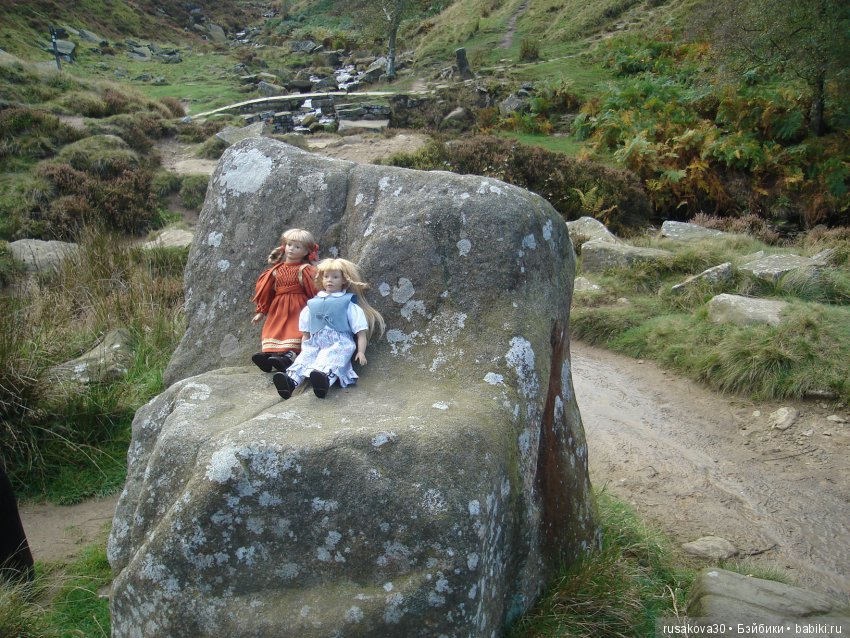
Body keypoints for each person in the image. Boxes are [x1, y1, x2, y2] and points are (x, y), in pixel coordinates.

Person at [273, 258, 385, 399]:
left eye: (335, 277)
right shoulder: (313, 304)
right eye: (326, 276)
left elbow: (361, 333)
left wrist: (361, 352)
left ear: (344, 280)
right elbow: (306, 333)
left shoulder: (347, 303)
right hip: (315, 342)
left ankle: (323, 382)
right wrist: (304, 348)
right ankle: (290, 382)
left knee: (332, 359)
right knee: (304, 359)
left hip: (340, 343)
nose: (329, 280)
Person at [251, 228, 319, 372]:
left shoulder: (305, 270)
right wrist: (261, 311)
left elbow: (314, 290)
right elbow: (266, 292)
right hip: (278, 309)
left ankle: (288, 357)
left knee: (295, 331)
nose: (291, 249)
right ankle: (269, 356)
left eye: (297, 247)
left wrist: (317, 309)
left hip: (298, 308)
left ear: (306, 252)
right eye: (289, 245)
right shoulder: (275, 271)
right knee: (273, 330)